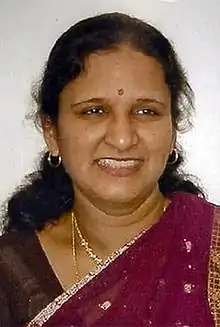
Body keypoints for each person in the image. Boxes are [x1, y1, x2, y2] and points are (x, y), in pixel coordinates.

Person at [0, 12, 219, 327]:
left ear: (172, 132)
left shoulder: (211, 247)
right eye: (94, 111)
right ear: (52, 133)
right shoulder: (10, 273)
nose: (122, 138)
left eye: (146, 111)